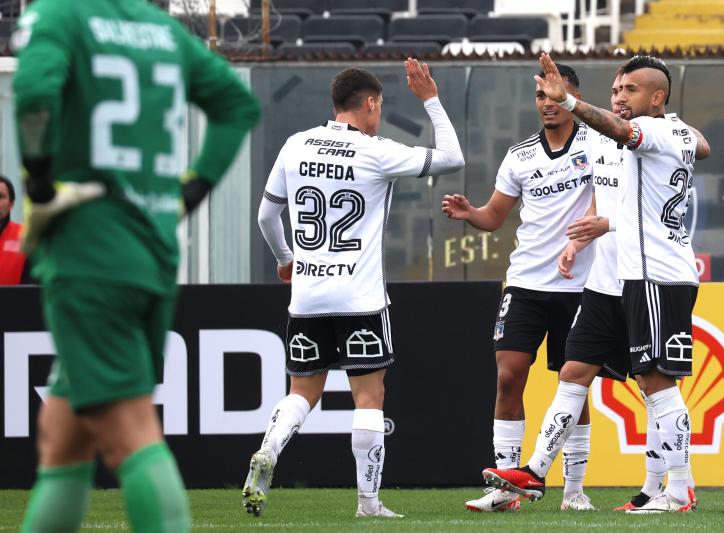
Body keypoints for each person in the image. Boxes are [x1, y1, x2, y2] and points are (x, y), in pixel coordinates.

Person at [14, 0, 261, 531]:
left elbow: (34, 94)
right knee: (63, 435)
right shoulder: (159, 30)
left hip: (88, 250)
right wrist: (189, 192)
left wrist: (37, 181)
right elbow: (237, 105)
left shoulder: (61, 15)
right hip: (149, 251)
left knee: (129, 431)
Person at [483, 52, 705, 514]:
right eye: (617, 89)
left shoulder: (654, 131)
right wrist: (580, 238)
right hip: (612, 278)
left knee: (656, 383)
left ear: (658, 97)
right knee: (573, 372)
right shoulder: (634, 136)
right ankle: (535, 471)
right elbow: (696, 148)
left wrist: (569, 101)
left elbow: (640, 135)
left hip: (657, 274)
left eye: (632, 90)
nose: (620, 96)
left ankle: (679, 490)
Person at [245, 60, 464, 519]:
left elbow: (267, 217)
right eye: (378, 108)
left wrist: (286, 259)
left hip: (306, 297)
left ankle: (269, 449)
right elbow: (451, 158)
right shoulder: (375, 150)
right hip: (360, 299)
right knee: (369, 397)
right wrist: (431, 100)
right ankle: (368, 502)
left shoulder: (295, 145)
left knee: (302, 392)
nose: (378, 116)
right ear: (369, 104)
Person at [442, 63, 597, 512]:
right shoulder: (520, 155)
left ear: (573, 97)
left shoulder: (598, 143)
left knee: (574, 388)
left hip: (582, 286)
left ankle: (574, 490)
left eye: (556, 94)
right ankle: (505, 487)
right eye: (540, 96)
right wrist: (471, 212)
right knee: (508, 376)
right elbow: (494, 217)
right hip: (526, 283)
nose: (547, 103)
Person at [0, 176, 31, 284]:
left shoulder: (25, 236)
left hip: (15, 300)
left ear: (11, 204)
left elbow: (33, 289)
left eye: (1, 196)